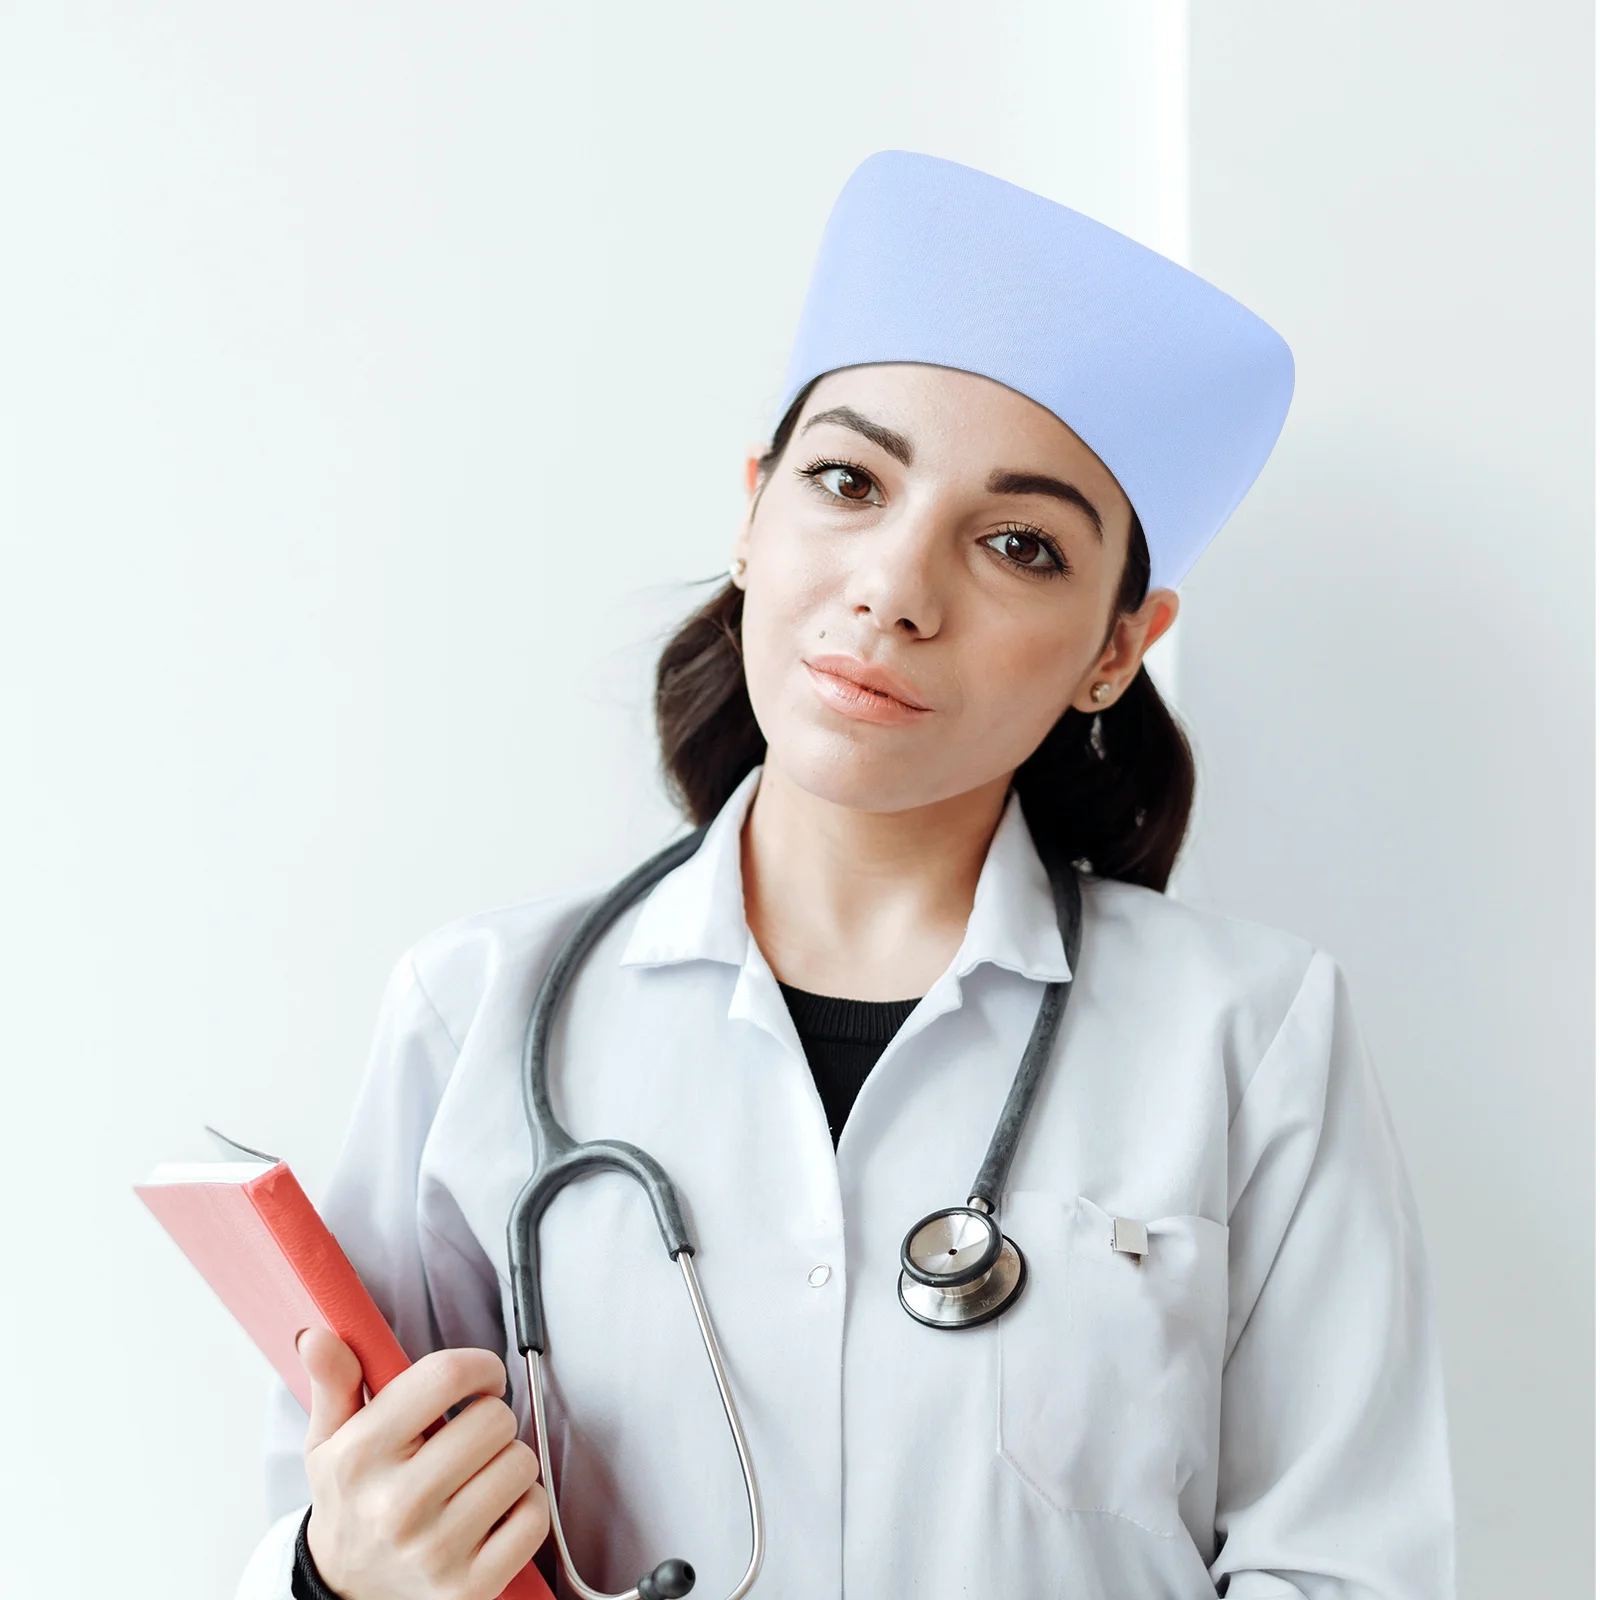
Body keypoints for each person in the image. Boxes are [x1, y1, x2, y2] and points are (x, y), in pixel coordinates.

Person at [234, 151, 1456, 1600]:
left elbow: (1348, 1567)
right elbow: (335, 1509)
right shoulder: (475, 1016)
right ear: (754, 517)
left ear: (1115, 650)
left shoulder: (1253, 1035)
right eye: (847, 481)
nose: (895, 587)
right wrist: (336, 1572)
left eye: (1017, 543)